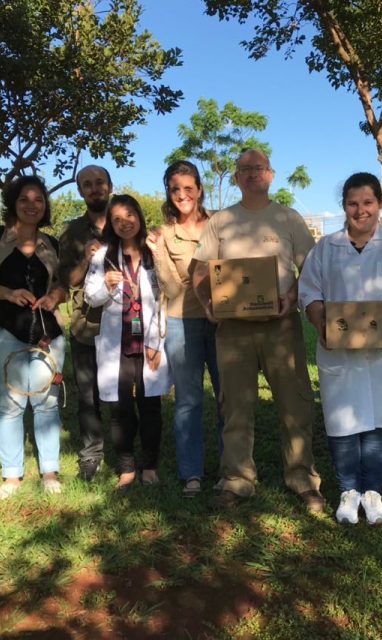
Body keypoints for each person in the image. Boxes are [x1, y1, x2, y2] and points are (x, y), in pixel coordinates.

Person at [191, 148, 325, 513]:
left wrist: (292, 297)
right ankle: (236, 480)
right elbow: (200, 271)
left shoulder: (288, 218)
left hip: (280, 327)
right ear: (236, 177)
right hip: (233, 330)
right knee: (235, 407)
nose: (252, 174)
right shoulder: (220, 222)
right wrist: (208, 306)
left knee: (294, 404)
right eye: (245, 169)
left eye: (259, 168)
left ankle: (302, 479)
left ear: (271, 175)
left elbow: (310, 270)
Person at [299, 172, 382, 525]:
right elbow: (310, 290)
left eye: (368, 202)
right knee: (344, 422)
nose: (360, 210)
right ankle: (349, 492)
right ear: (344, 207)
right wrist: (320, 321)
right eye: (353, 203)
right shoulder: (327, 248)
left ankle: (373, 492)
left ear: (380, 204)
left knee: (380, 421)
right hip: (340, 352)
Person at [0, 176, 68, 499]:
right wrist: (7, 293)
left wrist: (54, 298)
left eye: (38, 200)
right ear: (14, 202)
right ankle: (12, 476)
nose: (32, 205)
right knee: (10, 405)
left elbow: (63, 286)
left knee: (46, 402)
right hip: (4, 332)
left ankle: (49, 471)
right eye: (25, 199)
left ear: (45, 206)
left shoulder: (51, 244)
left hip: (47, 335)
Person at [84, 194, 170, 489]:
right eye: (117, 219)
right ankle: (126, 467)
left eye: (130, 216)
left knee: (150, 405)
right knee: (119, 409)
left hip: (148, 342)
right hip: (115, 345)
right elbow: (89, 297)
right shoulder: (103, 255)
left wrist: (156, 343)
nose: (125, 223)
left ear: (139, 216)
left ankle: (149, 465)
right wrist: (106, 287)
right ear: (110, 223)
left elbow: (164, 299)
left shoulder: (153, 252)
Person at [155, 160, 223, 498]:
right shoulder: (164, 235)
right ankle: (191, 473)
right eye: (174, 189)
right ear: (169, 193)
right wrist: (156, 253)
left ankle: (232, 469)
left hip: (224, 321)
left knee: (229, 396)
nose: (182, 195)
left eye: (188, 188)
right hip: (182, 321)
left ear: (199, 189)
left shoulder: (220, 225)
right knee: (188, 400)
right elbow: (171, 284)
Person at [57, 165, 112, 481]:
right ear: (80, 191)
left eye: (99, 182)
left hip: (125, 324)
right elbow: (67, 281)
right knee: (88, 394)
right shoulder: (72, 232)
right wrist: (86, 258)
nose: (94, 188)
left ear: (109, 186)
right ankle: (91, 455)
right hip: (86, 325)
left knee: (126, 392)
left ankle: (128, 455)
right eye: (87, 184)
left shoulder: (125, 222)